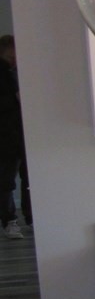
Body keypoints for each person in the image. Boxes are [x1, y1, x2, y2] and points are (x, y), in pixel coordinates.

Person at [0, 34, 29, 239]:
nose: (13, 58)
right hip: (7, 133)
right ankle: (10, 220)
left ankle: (26, 218)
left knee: (27, 178)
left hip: (20, 132)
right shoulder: (6, 74)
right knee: (7, 179)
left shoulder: (20, 72)